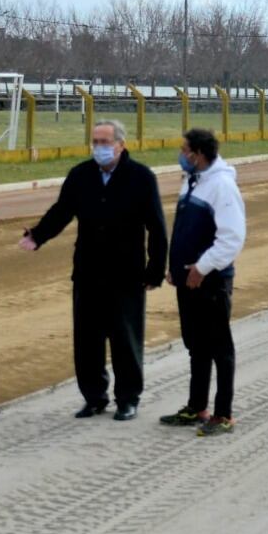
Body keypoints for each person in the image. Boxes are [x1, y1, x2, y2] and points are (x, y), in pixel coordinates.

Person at [19, 120, 167, 420]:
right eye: (95, 141)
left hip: (127, 274)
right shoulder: (81, 175)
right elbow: (61, 211)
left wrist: (154, 271)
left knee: (125, 339)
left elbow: (157, 226)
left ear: (121, 145)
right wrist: (37, 236)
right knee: (87, 340)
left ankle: (128, 399)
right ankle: (94, 396)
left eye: (105, 142)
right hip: (87, 271)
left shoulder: (141, 178)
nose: (99, 147)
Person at [159, 128, 246, 437]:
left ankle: (223, 415)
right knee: (196, 345)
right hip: (188, 280)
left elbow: (232, 237)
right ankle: (197, 407)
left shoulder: (222, 185)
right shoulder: (192, 182)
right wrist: (176, 269)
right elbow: (185, 230)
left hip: (212, 282)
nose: (181, 155)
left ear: (198, 154)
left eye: (185, 151)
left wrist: (202, 268)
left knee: (220, 348)